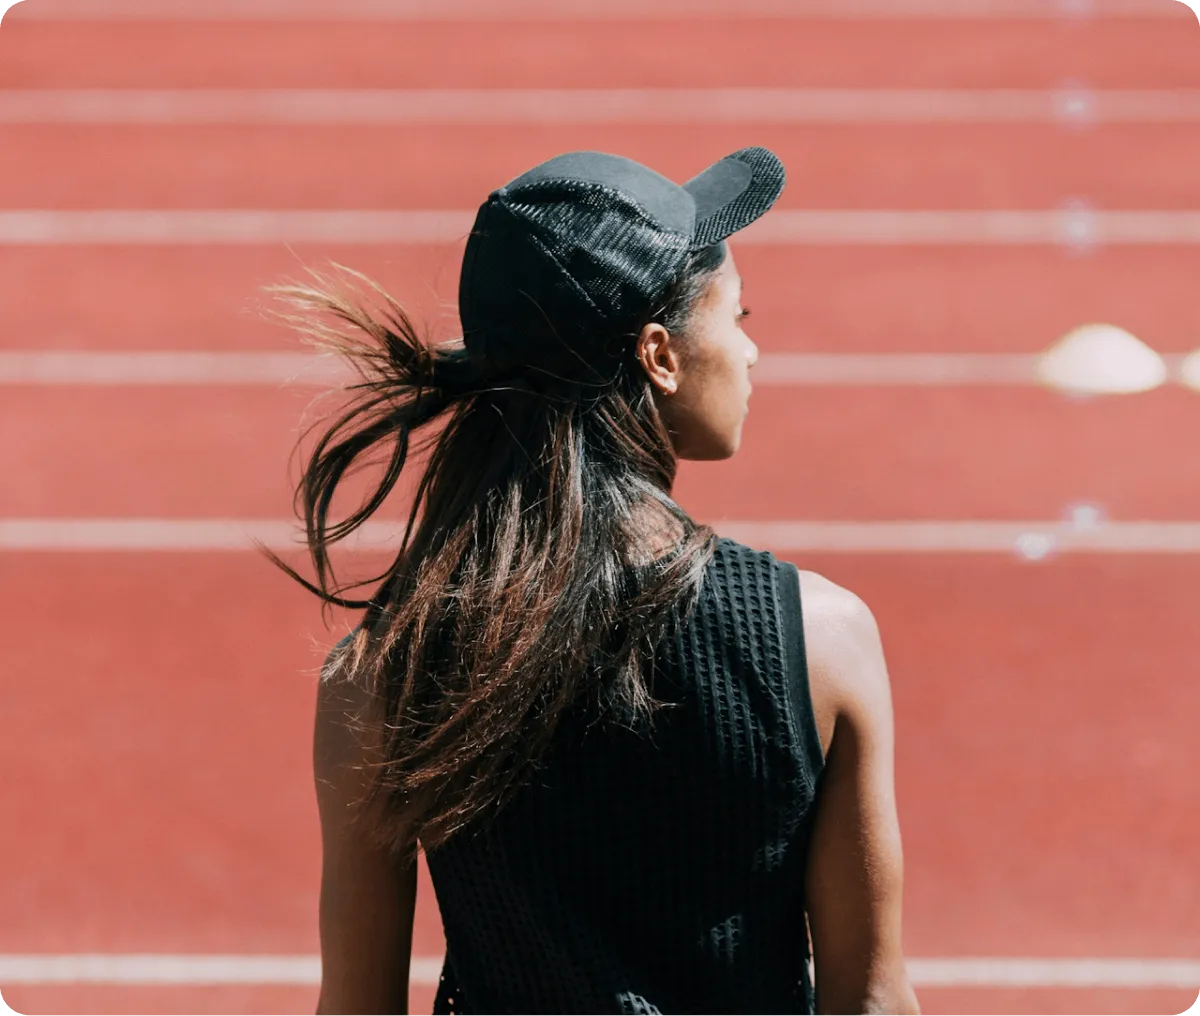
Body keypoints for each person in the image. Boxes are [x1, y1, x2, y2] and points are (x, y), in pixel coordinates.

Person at [263, 147, 921, 1016]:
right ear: (660, 355)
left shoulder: (385, 668)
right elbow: (870, 999)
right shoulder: (819, 638)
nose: (753, 350)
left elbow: (356, 1006)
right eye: (739, 316)